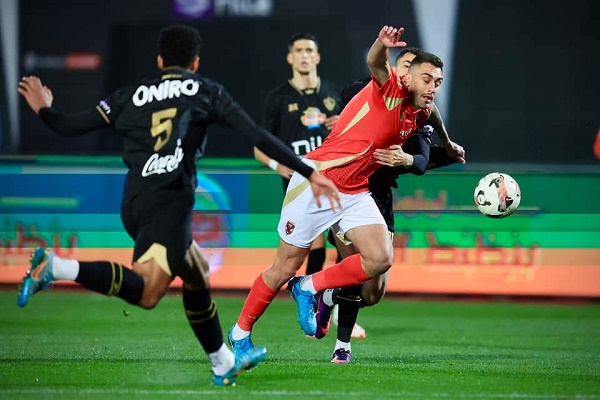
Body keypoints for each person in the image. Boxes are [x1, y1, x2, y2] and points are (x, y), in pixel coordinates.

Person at [16, 25, 340, 387]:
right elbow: (258, 136)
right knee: (148, 292)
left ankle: (223, 362)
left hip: (136, 199)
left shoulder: (130, 94)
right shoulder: (205, 91)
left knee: (197, 274)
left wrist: (44, 109)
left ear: (159, 61)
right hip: (169, 201)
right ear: (196, 62)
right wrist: (309, 172)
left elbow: (67, 126)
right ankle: (56, 266)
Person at [228, 25, 447, 356]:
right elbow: (376, 62)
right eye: (427, 79)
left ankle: (308, 287)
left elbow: (433, 116)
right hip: (318, 181)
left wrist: (448, 143)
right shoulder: (391, 89)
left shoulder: (421, 110)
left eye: (438, 82)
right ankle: (240, 334)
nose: (432, 88)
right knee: (283, 268)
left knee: (380, 258)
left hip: (355, 191)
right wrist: (381, 44)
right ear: (407, 78)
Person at [317, 47, 465, 363]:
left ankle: (327, 296)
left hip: (380, 197)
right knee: (355, 269)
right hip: (346, 190)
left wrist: (441, 149)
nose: (411, 77)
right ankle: (342, 346)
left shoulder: (417, 113)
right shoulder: (364, 90)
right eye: (406, 67)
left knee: (373, 293)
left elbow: (421, 159)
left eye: (426, 77)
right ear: (397, 71)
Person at [253, 33, 341, 282]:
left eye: (309, 50)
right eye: (299, 50)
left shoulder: (335, 94)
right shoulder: (278, 98)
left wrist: (343, 123)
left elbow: (354, 134)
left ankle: (327, 296)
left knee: (342, 241)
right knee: (311, 245)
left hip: (334, 175)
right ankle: (311, 294)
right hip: (300, 179)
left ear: (317, 57)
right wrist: (276, 165)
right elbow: (259, 147)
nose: (304, 55)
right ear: (290, 57)